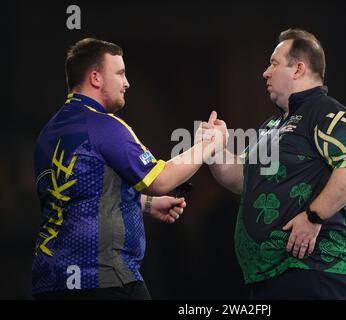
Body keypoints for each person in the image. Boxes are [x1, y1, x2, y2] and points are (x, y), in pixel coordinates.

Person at [32, 38, 225, 300]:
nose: (127, 83)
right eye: (120, 73)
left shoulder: (49, 132)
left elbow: (79, 193)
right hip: (104, 280)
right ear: (96, 78)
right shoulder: (104, 126)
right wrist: (206, 145)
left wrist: (144, 203)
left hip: (50, 282)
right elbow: (160, 179)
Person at [204, 28, 346, 299]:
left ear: (298, 69)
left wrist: (312, 217)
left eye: (273, 64)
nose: (265, 72)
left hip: (314, 270)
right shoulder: (272, 126)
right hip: (269, 277)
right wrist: (215, 149)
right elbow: (241, 180)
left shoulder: (326, 111)